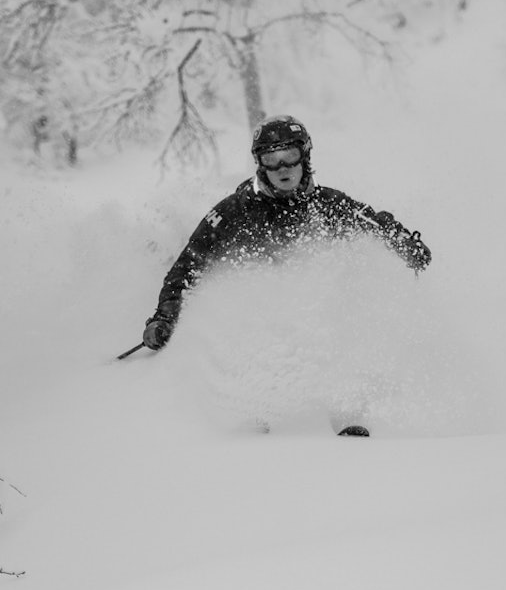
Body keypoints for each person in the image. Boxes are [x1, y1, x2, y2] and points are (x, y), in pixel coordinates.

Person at [140, 114, 432, 437]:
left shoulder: (329, 204)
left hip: (323, 330)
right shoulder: (234, 211)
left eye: (289, 156)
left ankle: (348, 418)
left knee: (350, 309)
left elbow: (374, 223)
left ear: (305, 156)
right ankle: (252, 423)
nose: (282, 168)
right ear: (259, 164)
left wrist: (403, 243)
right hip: (258, 335)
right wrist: (164, 316)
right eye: (271, 159)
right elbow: (187, 266)